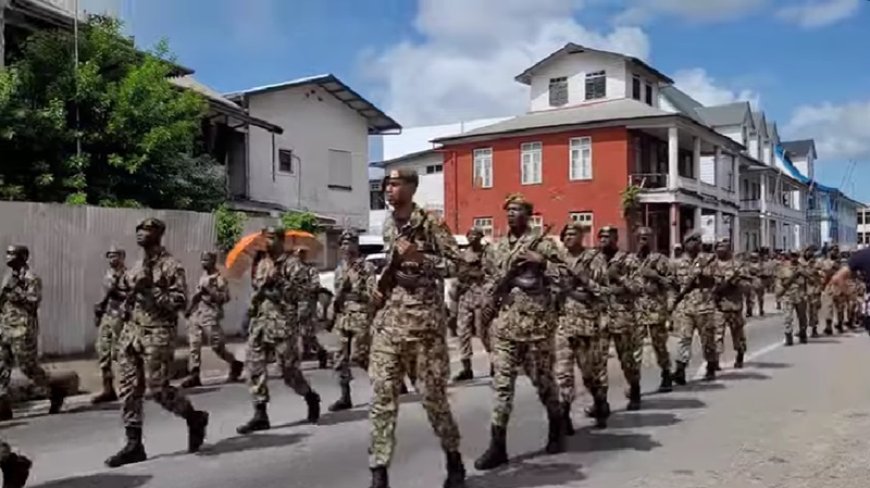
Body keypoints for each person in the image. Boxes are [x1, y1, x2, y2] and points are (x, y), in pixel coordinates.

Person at [368, 168, 466, 488]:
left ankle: (454, 460)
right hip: (389, 328)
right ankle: (378, 472)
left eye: (395, 184)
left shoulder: (431, 223)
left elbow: (458, 265)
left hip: (425, 330)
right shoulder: (387, 224)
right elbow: (391, 265)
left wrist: (422, 260)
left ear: (412, 187)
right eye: (386, 184)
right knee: (382, 399)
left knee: (433, 400)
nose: (389, 189)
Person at [106, 218, 208, 468]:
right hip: (132, 333)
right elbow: (123, 292)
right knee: (128, 389)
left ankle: (194, 417)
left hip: (158, 333)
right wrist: (122, 288)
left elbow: (180, 302)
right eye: (138, 229)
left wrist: (152, 289)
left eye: (147, 230)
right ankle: (133, 444)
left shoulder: (171, 265)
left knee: (158, 389)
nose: (141, 233)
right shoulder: (137, 265)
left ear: (159, 234)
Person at [475, 193, 565, 472]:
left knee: (545, 383)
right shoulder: (496, 249)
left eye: (518, 210)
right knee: (502, 387)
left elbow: (565, 277)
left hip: (537, 327)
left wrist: (543, 263)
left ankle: (556, 428)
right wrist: (494, 293)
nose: (512, 214)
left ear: (529, 214)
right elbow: (488, 283)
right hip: (505, 327)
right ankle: (497, 446)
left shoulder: (545, 244)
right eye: (509, 210)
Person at [237, 227, 321, 435]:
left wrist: (279, 282)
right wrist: (249, 314)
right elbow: (258, 290)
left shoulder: (293, 265)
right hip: (261, 321)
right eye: (266, 238)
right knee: (254, 366)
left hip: (283, 322)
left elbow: (302, 295)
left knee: (288, 371)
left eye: (272, 238)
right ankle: (260, 413)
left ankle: (310, 396)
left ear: (282, 240)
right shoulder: (262, 262)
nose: (268, 242)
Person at [0, 245, 65, 420]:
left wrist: (15, 293)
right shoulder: (8, 277)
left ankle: (53, 392)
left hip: (22, 328)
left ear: (23, 256)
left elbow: (33, 302)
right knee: (1, 366)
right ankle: (2, 405)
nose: (8, 256)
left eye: (12, 253)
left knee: (27, 366)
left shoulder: (31, 278)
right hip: (4, 327)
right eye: (7, 253)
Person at [554, 222, 606, 432]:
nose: (568, 237)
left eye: (572, 233)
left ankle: (600, 405)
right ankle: (564, 416)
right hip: (563, 324)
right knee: (563, 374)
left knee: (589, 374)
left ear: (582, 236)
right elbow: (552, 288)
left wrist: (579, 283)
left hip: (586, 325)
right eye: (565, 234)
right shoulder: (557, 260)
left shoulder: (594, 258)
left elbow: (601, 290)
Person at [593, 226, 643, 410]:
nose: (604, 239)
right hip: (599, 318)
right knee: (598, 361)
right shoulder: (593, 259)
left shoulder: (628, 259)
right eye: (602, 236)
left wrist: (620, 278)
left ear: (616, 239)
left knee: (627, 360)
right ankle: (600, 402)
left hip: (622, 317)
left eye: (608, 236)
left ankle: (635, 390)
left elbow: (638, 288)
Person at [327, 228, 376, 412]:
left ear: (357, 245)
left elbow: (372, 293)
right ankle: (345, 396)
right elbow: (336, 293)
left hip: (360, 314)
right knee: (339, 358)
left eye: (351, 243)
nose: (347, 247)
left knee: (360, 355)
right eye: (344, 243)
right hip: (343, 316)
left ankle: (384, 382)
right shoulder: (339, 268)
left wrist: (354, 289)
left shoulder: (366, 267)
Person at [181, 251, 243, 388]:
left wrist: (210, 291)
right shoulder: (203, 276)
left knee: (217, 346)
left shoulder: (219, 279)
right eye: (202, 260)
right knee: (194, 344)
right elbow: (198, 295)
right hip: (197, 314)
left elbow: (225, 298)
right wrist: (189, 310)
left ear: (213, 261)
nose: (203, 263)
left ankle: (234, 363)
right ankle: (194, 373)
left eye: (206, 260)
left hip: (210, 315)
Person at [672, 231, 718, 383]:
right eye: (690, 242)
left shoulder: (708, 260)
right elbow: (673, 284)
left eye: (696, 242)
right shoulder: (677, 263)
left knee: (707, 339)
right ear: (685, 244)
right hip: (685, 307)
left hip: (704, 306)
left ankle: (711, 366)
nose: (694, 244)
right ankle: (680, 370)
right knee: (683, 339)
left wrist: (702, 275)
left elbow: (715, 281)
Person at [633, 227, 673, 392]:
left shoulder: (661, 259)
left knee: (659, 345)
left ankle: (666, 373)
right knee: (634, 347)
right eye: (641, 237)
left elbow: (671, 282)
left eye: (647, 237)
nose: (644, 240)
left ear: (652, 239)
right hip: (636, 310)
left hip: (656, 309)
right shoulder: (631, 260)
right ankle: (634, 383)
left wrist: (655, 276)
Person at [452, 227, 493, 381]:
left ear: (480, 237)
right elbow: (458, 278)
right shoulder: (463, 255)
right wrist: (454, 303)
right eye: (470, 235)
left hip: (482, 296)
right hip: (465, 297)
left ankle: (494, 363)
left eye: (476, 235)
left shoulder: (487, 254)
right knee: (463, 333)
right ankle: (466, 368)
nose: (472, 238)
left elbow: (493, 274)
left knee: (484, 332)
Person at [91, 246, 129, 404]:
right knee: (103, 351)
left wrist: (117, 293)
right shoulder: (108, 274)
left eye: (116, 256)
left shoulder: (128, 275)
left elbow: (132, 295)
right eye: (110, 256)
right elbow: (104, 294)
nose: (112, 259)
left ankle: (127, 386)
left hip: (120, 316)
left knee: (121, 352)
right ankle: (108, 388)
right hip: (107, 315)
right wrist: (99, 312)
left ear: (122, 257)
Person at [711, 238, 748, 368]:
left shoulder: (737, 265)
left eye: (724, 247)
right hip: (717, 306)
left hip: (734, 305)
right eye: (719, 247)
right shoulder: (711, 265)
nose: (721, 249)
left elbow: (747, 284)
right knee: (716, 334)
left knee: (737, 333)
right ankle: (715, 361)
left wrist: (734, 283)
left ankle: (740, 355)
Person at [297, 248, 329, 369]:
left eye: (301, 253)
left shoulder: (310, 270)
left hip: (307, 305)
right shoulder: (288, 270)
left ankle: (321, 353)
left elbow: (316, 286)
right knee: (293, 334)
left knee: (308, 334)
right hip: (293, 306)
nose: (298, 256)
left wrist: (303, 288)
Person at [776, 250, 809, 346]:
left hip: (800, 295)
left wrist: (803, 273)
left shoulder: (803, 267)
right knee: (787, 317)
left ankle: (803, 333)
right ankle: (788, 336)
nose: (794, 258)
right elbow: (783, 283)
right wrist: (795, 275)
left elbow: (810, 279)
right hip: (788, 295)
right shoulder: (784, 268)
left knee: (802, 317)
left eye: (796, 256)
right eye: (792, 256)